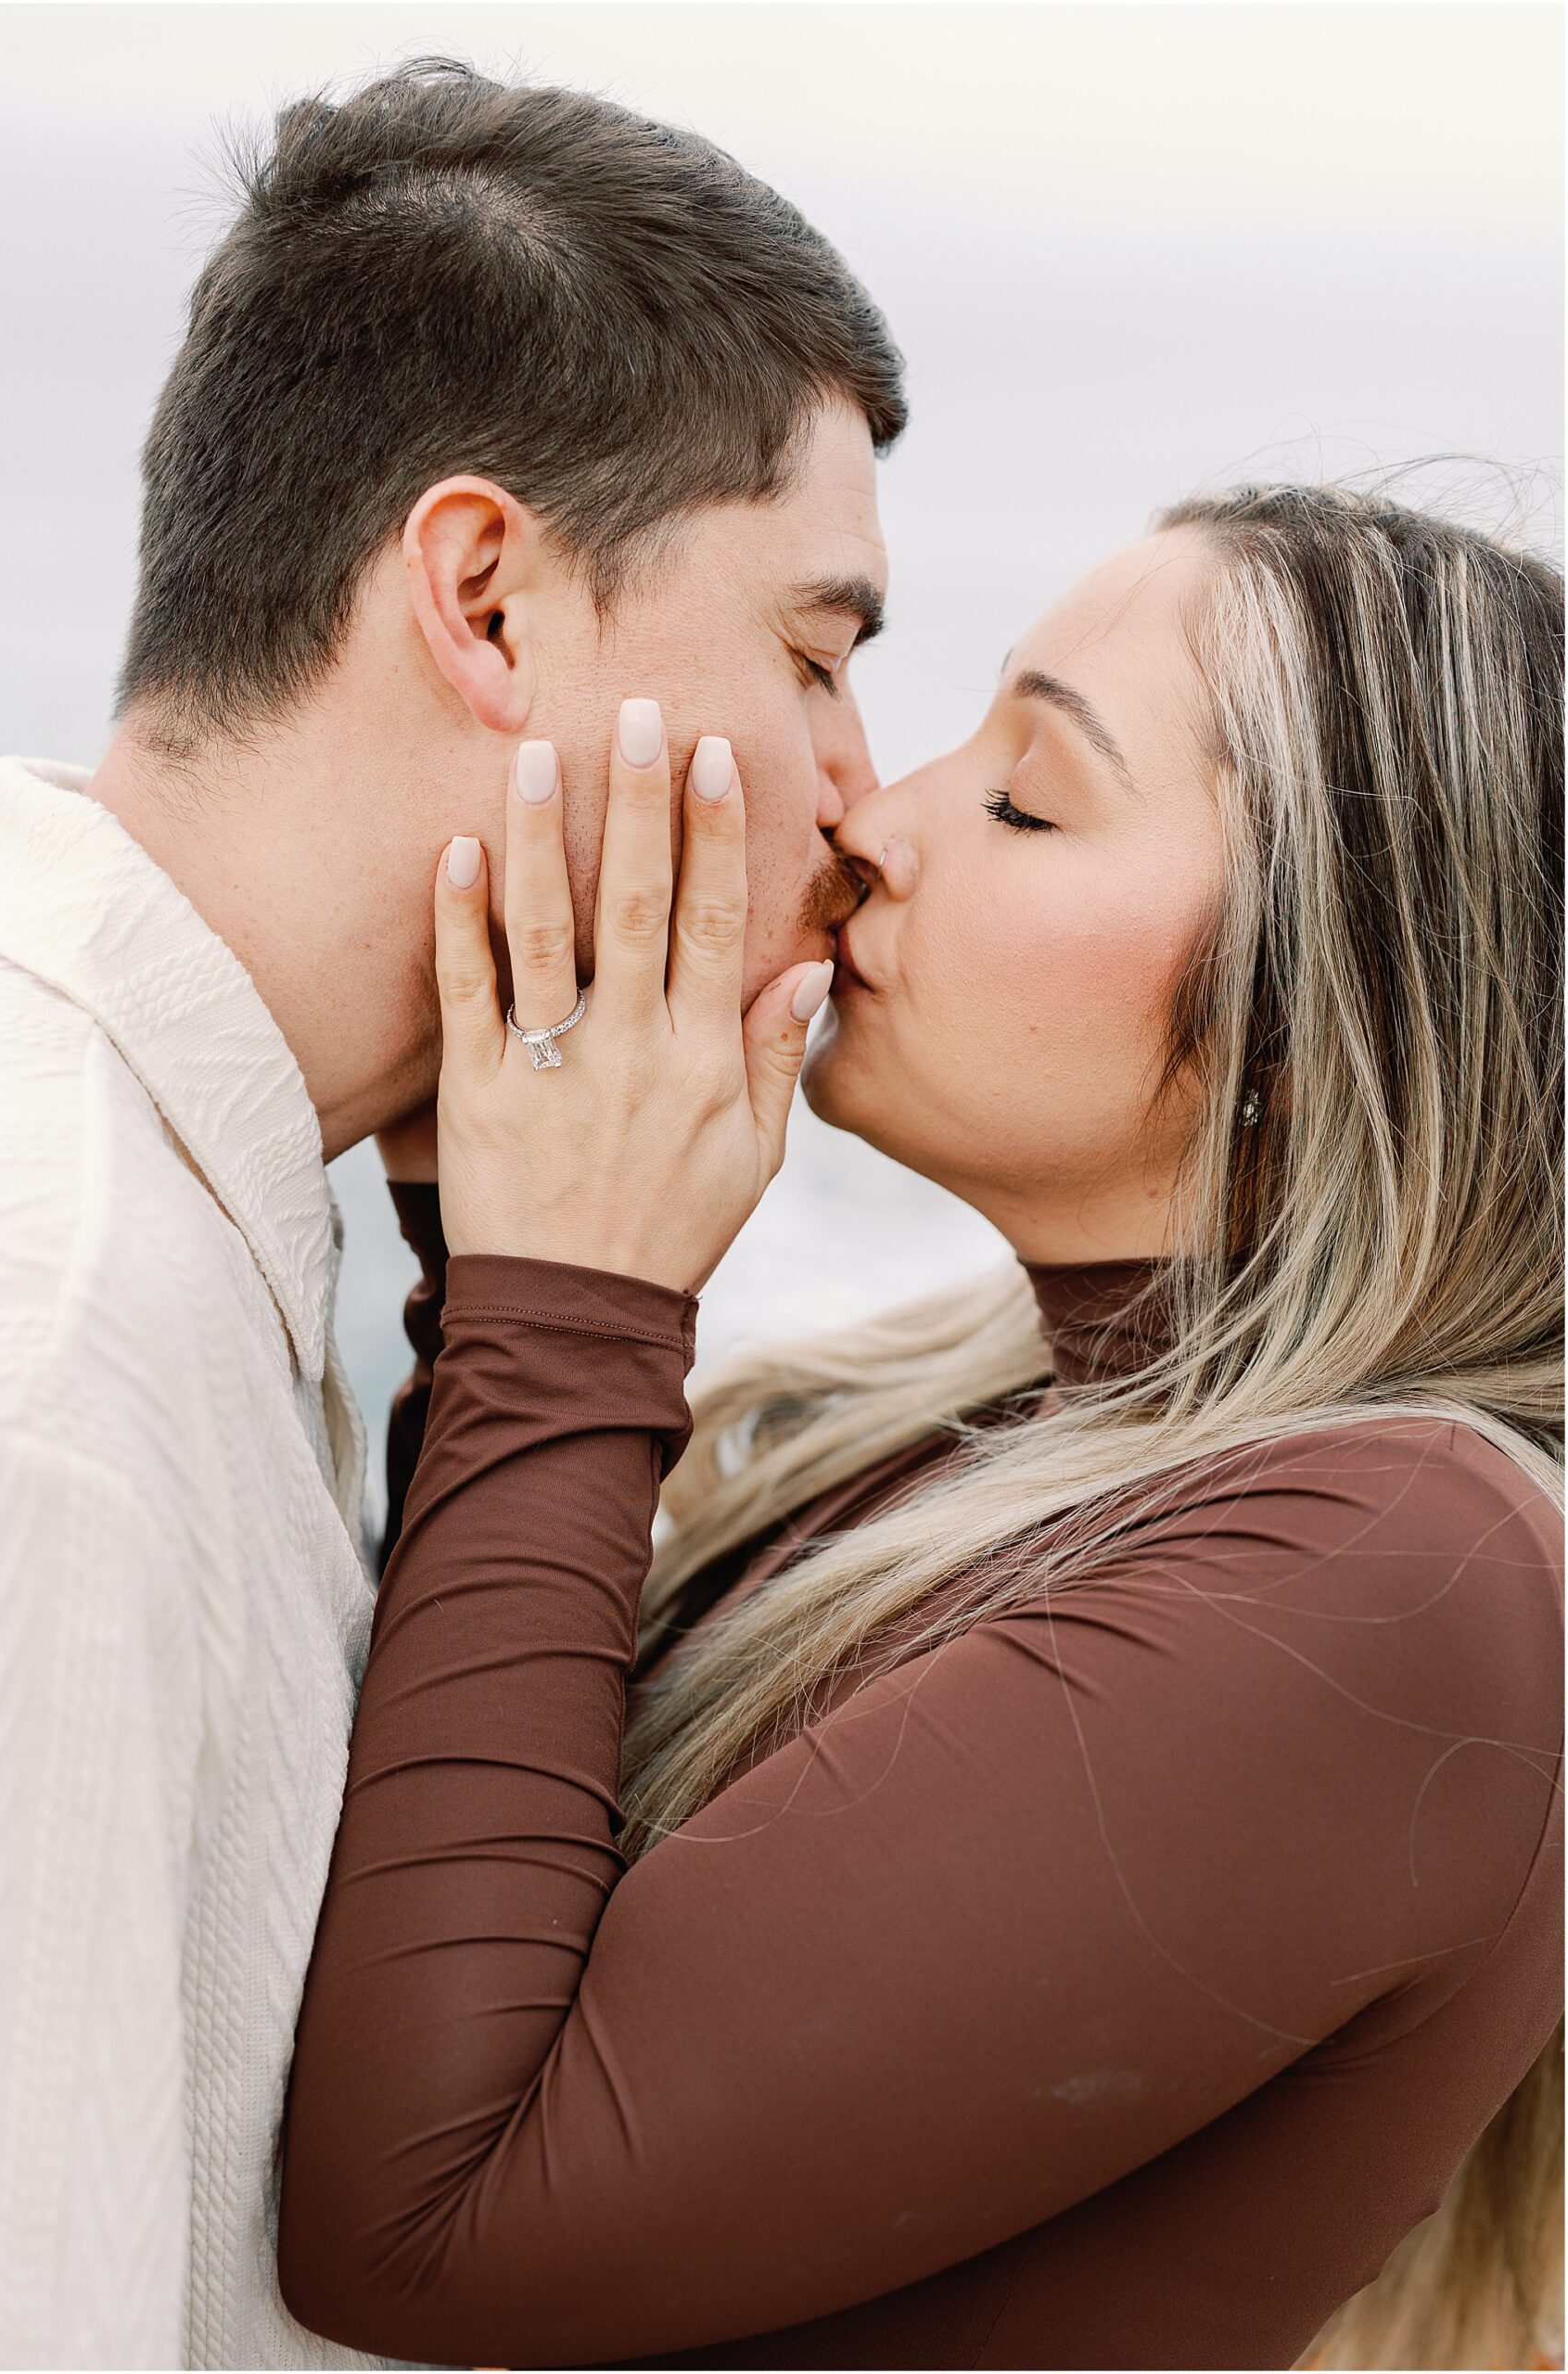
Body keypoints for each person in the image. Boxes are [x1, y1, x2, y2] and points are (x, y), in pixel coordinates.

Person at [276, 486, 1563, 2373]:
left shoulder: (1399, 1586)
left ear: (1298, 1036)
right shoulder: (970, 1427)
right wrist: (480, 1243)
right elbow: (439, 1871)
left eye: (1030, 796)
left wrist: (565, 1308)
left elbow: (422, 2230)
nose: (875, 824)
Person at [0, 58, 902, 2371]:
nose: (861, 799)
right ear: (488, 596)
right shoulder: (51, 1354)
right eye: (814, 654)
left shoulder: (182, 1200)